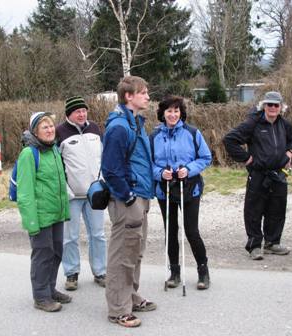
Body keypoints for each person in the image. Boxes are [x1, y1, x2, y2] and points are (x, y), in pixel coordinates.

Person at [101, 76, 155, 328]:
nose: (147, 96)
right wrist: (129, 196)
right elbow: (111, 170)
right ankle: (118, 309)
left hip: (141, 195)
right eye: (142, 93)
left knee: (136, 252)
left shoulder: (135, 123)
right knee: (123, 253)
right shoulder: (120, 127)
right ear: (128, 97)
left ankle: (130, 297)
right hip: (128, 199)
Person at [223, 91, 292, 260]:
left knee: (277, 210)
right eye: (269, 104)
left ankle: (272, 243)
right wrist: (247, 159)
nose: (272, 108)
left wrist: (290, 153)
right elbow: (229, 140)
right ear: (263, 106)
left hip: (279, 175)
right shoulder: (253, 123)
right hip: (258, 175)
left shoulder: (285, 125)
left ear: (281, 107)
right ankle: (254, 246)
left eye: (275, 105)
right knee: (254, 211)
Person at [150, 95, 212, 290]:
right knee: (170, 231)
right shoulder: (153, 137)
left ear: (181, 113)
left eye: (176, 111)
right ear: (162, 113)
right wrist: (160, 173)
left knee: (191, 230)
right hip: (165, 189)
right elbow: (148, 164)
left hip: (189, 188)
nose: (173, 114)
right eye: (169, 111)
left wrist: (189, 169)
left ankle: (203, 271)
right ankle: (174, 272)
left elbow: (205, 157)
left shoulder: (192, 133)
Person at [16, 111, 71, 312]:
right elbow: (25, 193)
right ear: (35, 132)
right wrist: (31, 223)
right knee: (43, 255)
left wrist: (64, 210)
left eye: (50, 126)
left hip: (56, 213)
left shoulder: (54, 149)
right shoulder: (29, 154)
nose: (49, 130)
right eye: (44, 127)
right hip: (40, 216)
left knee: (57, 252)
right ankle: (40, 297)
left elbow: (59, 183)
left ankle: (49, 289)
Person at [56, 96, 107, 291]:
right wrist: (65, 189)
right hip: (72, 196)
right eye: (77, 111)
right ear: (69, 114)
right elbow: (57, 165)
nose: (82, 114)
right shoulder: (60, 132)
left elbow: (103, 157)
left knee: (98, 234)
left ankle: (100, 271)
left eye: (84, 110)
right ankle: (71, 273)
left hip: (95, 193)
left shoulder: (94, 128)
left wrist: (103, 182)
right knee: (70, 237)